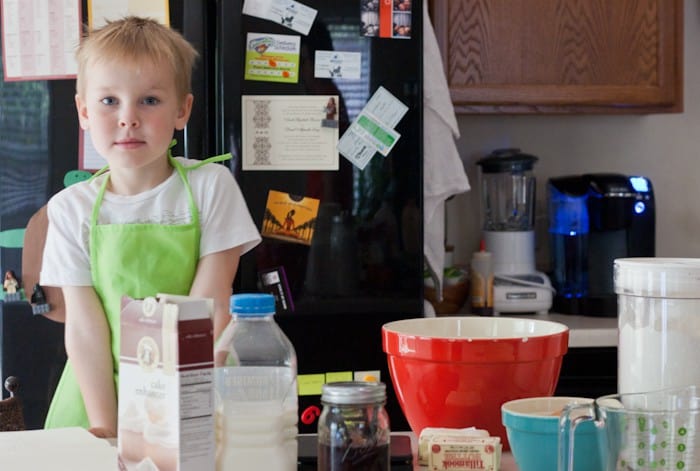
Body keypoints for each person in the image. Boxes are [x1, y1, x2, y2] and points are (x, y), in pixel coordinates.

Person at [40, 17, 261, 437]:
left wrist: (173, 412)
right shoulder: (71, 208)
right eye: (109, 101)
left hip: (194, 382)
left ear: (182, 110)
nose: (128, 118)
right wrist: (106, 425)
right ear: (83, 112)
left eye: (150, 101)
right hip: (97, 393)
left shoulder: (211, 188)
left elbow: (212, 304)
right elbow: (85, 326)